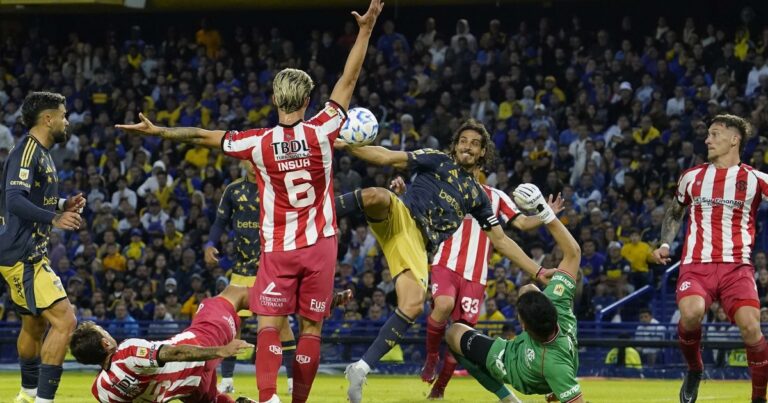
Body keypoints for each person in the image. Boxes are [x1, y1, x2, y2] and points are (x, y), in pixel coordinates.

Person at [116, 2, 383, 401]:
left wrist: (159, 131)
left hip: (277, 248)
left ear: (275, 100)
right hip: (321, 245)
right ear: (308, 100)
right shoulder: (325, 127)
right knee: (311, 329)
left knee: (270, 326)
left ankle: (266, 398)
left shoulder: (257, 143)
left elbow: (203, 135)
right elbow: (350, 77)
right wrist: (365, 30)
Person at [334, 119, 558, 403]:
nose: (468, 146)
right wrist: (348, 146)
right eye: (464, 140)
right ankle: (316, 214)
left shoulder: (478, 198)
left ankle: (360, 368)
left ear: (482, 154)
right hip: (401, 216)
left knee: (413, 305)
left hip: (417, 244)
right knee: (377, 195)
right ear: (455, 145)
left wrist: (537, 271)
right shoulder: (436, 159)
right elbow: (387, 156)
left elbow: (502, 240)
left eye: (475, 144)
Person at [387, 133, 563, 399]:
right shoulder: (446, 186)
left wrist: (544, 213)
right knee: (443, 305)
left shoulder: (496, 197)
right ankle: (432, 356)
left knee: (461, 336)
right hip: (446, 261)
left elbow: (522, 224)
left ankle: (441, 387)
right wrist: (403, 195)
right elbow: (418, 211)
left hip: (476, 275)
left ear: (483, 163)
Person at [651, 114, 768, 403]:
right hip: (696, 265)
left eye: (715, 134)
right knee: (690, 314)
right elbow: (675, 212)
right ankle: (694, 369)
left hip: (737, 267)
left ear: (734, 139)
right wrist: (665, 243)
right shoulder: (692, 177)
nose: (707, 140)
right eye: (708, 134)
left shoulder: (756, 179)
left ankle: (758, 399)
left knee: (752, 327)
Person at [445, 183, 585, 403]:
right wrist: (544, 211)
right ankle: (554, 387)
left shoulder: (552, 364)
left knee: (452, 334)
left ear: (523, 327)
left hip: (518, 366)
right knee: (527, 289)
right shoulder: (559, 304)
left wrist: (544, 213)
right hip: (558, 356)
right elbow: (574, 253)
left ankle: (507, 398)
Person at [0, 92, 86, 403]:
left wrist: (64, 203)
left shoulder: (42, 153)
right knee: (66, 320)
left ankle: (27, 393)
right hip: (23, 253)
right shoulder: (27, 151)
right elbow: (14, 200)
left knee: (33, 324)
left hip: (26, 251)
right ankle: (43, 400)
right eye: (64, 115)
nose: (67, 121)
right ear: (47, 119)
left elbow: (31, 197)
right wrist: (55, 218)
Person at [70, 285, 255, 403]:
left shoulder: (102, 390)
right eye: (105, 332)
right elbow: (176, 354)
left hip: (186, 389)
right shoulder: (127, 352)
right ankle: (278, 305)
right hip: (200, 347)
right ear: (105, 343)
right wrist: (221, 350)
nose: (108, 333)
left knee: (214, 400)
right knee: (234, 293)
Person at [205, 160, 295, 395]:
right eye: (247, 159)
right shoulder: (233, 190)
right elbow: (220, 222)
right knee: (233, 324)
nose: (251, 163)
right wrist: (210, 243)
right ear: (243, 162)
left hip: (271, 266)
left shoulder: (277, 187)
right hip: (242, 268)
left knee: (280, 323)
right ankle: (227, 379)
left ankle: (293, 379)